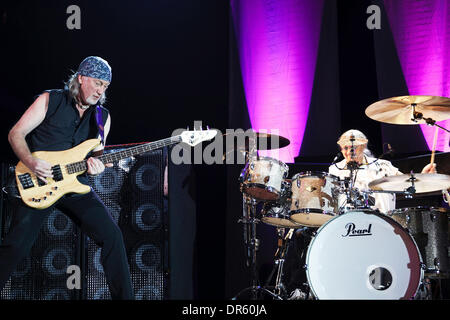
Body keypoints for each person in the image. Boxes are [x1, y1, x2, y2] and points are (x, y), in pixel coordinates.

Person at [0, 56, 134, 299]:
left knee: (112, 236)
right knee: (16, 246)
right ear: (81, 78)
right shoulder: (50, 100)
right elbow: (15, 134)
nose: (100, 90)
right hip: (38, 181)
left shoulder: (102, 118)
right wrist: (31, 161)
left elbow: (98, 157)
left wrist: (98, 167)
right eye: (96, 82)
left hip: (74, 186)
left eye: (105, 85)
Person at [328, 129, 436, 213]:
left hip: (383, 221)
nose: (350, 151)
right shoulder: (335, 169)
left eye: (354, 147)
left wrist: (424, 178)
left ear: (363, 146)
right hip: (347, 224)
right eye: (345, 148)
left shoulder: (383, 165)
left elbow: (407, 184)